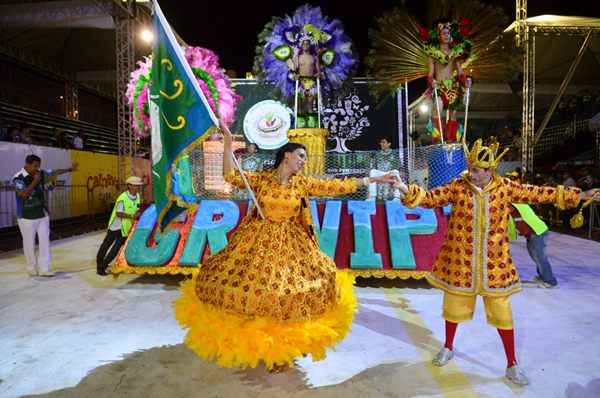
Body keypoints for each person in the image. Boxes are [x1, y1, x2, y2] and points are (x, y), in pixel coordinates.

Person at [173, 123, 397, 370]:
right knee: (249, 291)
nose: (303, 161)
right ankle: (257, 344)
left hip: (292, 247)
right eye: (300, 156)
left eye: (305, 158)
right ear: (286, 155)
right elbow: (230, 176)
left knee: (288, 295)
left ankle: (282, 351)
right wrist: (227, 142)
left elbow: (339, 186)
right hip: (255, 245)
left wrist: (375, 178)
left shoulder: (303, 184)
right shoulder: (261, 180)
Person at [393, 138, 600, 385]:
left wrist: (582, 194)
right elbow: (430, 197)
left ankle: (511, 363)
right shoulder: (459, 186)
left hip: (495, 265)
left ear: (490, 170)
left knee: (503, 315)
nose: (472, 174)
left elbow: (539, 193)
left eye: (477, 171)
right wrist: (406, 190)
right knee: (453, 310)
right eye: (471, 168)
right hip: (461, 263)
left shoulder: (506, 187)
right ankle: (448, 347)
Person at [13, 154, 78, 276]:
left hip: (42, 215)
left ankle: (44, 268)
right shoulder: (18, 178)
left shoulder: (40, 173)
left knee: (44, 241)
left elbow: (54, 172)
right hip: (26, 217)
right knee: (29, 243)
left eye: (38, 166)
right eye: (35, 166)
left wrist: (69, 169)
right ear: (27, 165)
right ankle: (31, 268)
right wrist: (35, 181)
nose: (37, 169)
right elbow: (23, 195)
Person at [426, 21, 472, 142]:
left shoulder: (455, 53)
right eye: (444, 33)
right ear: (439, 36)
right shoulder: (432, 54)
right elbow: (430, 74)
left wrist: (465, 81)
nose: (446, 35)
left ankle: (451, 140)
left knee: (453, 113)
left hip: (453, 87)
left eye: (448, 33)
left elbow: (460, 71)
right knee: (438, 107)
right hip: (440, 87)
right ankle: (438, 139)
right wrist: (432, 82)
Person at [96, 176, 143, 276]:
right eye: (135, 185)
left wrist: (139, 212)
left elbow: (137, 207)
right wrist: (131, 216)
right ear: (129, 186)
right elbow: (119, 213)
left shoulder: (138, 196)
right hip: (115, 227)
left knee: (115, 249)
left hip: (125, 228)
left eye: (138, 186)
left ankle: (103, 266)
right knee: (106, 246)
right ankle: (99, 265)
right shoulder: (123, 197)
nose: (137, 187)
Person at [368, 136, 401, 200]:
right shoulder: (377, 154)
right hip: (380, 173)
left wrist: (391, 172)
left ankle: (396, 197)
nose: (381, 144)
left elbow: (398, 166)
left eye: (383, 142)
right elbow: (374, 166)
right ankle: (372, 196)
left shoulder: (394, 153)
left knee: (396, 172)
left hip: (389, 172)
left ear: (389, 144)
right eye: (381, 142)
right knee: (372, 172)